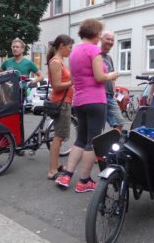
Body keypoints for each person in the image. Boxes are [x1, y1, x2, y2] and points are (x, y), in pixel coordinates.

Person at [55, 19, 119, 193]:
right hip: (96, 100)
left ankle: (67, 175)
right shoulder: (94, 50)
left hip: (79, 100)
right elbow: (99, 77)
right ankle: (84, 180)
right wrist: (111, 75)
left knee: (81, 139)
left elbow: (74, 80)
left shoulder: (74, 52)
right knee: (93, 140)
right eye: (100, 34)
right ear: (96, 34)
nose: (100, 37)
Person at [46, 34, 74, 180]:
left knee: (60, 136)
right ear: (62, 46)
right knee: (59, 137)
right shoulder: (56, 61)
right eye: (69, 47)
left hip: (65, 101)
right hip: (61, 102)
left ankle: (55, 165)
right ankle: (52, 170)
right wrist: (72, 82)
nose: (70, 50)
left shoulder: (60, 61)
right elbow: (57, 86)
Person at [101, 31, 124, 132]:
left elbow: (112, 77)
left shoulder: (109, 58)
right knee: (97, 127)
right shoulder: (96, 55)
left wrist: (114, 91)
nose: (110, 42)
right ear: (101, 39)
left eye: (112, 40)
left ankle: (111, 145)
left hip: (110, 96)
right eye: (108, 39)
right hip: (100, 95)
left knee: (120, 123)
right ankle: (94, 146)